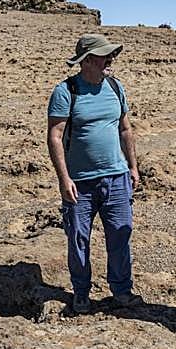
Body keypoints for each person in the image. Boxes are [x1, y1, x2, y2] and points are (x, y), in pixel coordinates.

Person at [47, 34, 141, 313]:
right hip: (80, 182)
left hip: (117, 177)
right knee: (78, 239)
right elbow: (55, 136)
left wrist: (133, 167)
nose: (111, 60)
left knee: (120, 237)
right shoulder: (66, 91)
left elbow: (126, 129)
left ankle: (122, 291)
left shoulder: (115, 86)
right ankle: (81, 293)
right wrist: (64, 179)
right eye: (104, 56)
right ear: (87, 60)